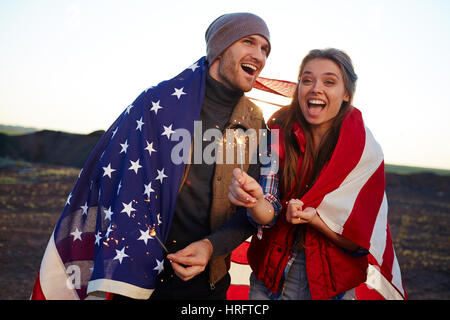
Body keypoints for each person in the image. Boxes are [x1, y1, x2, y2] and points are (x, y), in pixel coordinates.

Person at [31, 12, 270, 300]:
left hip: (206, 284)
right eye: (249, 42)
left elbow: (253, 213)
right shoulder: (156, 104)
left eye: (265, 49)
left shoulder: (255, 123)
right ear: (220, 46)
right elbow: (109, 182)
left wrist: (210, 246)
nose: (259, 55)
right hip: (137, 279)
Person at [228, 48, 407, 300]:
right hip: (269, 278)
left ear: (346, 93)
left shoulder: (365, 151)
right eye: (307, 79)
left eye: (329, 81)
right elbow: (267, 216)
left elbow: (359, 243)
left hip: (329, 286)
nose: (315, 88)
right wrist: (255, 200)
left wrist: (315, 219)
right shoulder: (278, 133)